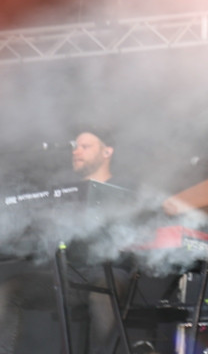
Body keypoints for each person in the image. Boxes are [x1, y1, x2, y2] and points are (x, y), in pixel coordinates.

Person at [0, 127, 127, 354]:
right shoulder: (63, 193)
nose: (76, 152)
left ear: (107, 152)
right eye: (74, 147)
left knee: (101, 295)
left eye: (85, 146)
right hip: (67, 276)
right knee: (8, 290)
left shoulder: (125, 189)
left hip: (108, 273)